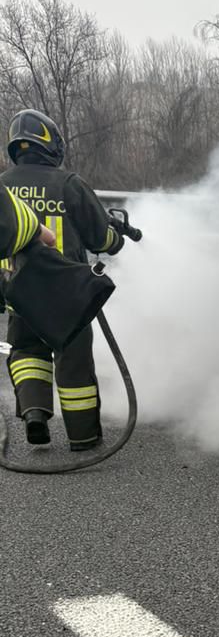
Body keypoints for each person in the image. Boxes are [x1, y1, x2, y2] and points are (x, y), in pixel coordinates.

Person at [0, 110, 124, 449]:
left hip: (20, 292)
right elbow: (100, 239)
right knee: (73, 363)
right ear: (51, 144)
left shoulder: (3, 186)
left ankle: (35, 415)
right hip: (66, 295)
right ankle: (82, 436)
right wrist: (118, 238)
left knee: (27, 352)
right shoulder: (68, 184)